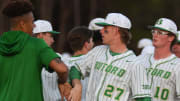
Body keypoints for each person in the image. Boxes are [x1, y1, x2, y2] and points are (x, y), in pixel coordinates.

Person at [70, 13, 151, 101]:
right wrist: (77, 85)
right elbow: (76, 68)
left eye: (105, 28)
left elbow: (143, 98)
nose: (101, 31)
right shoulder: (98, 51)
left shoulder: (135, 64)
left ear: (116, 30)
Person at [0, 1, 68, 101]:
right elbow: (62, 69)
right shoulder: (37, 44)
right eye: (32, 22)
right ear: (22, 24)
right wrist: (62, 82)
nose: (34, 26)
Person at [137, 18, 180, 101]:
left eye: (160, 33)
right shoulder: (139, 60)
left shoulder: (178, 66)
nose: (155, 35)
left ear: (171, 38)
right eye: (154, 31)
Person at [60, 26, 94, 101]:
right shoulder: (91, 62)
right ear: (86, 44)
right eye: (92, 40)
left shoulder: (63, 62)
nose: (93, 43)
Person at [33, 19, 63, 101]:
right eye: (50, 36)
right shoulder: (23, 58)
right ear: (40, 35)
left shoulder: (58, 57)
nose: (53, 40)